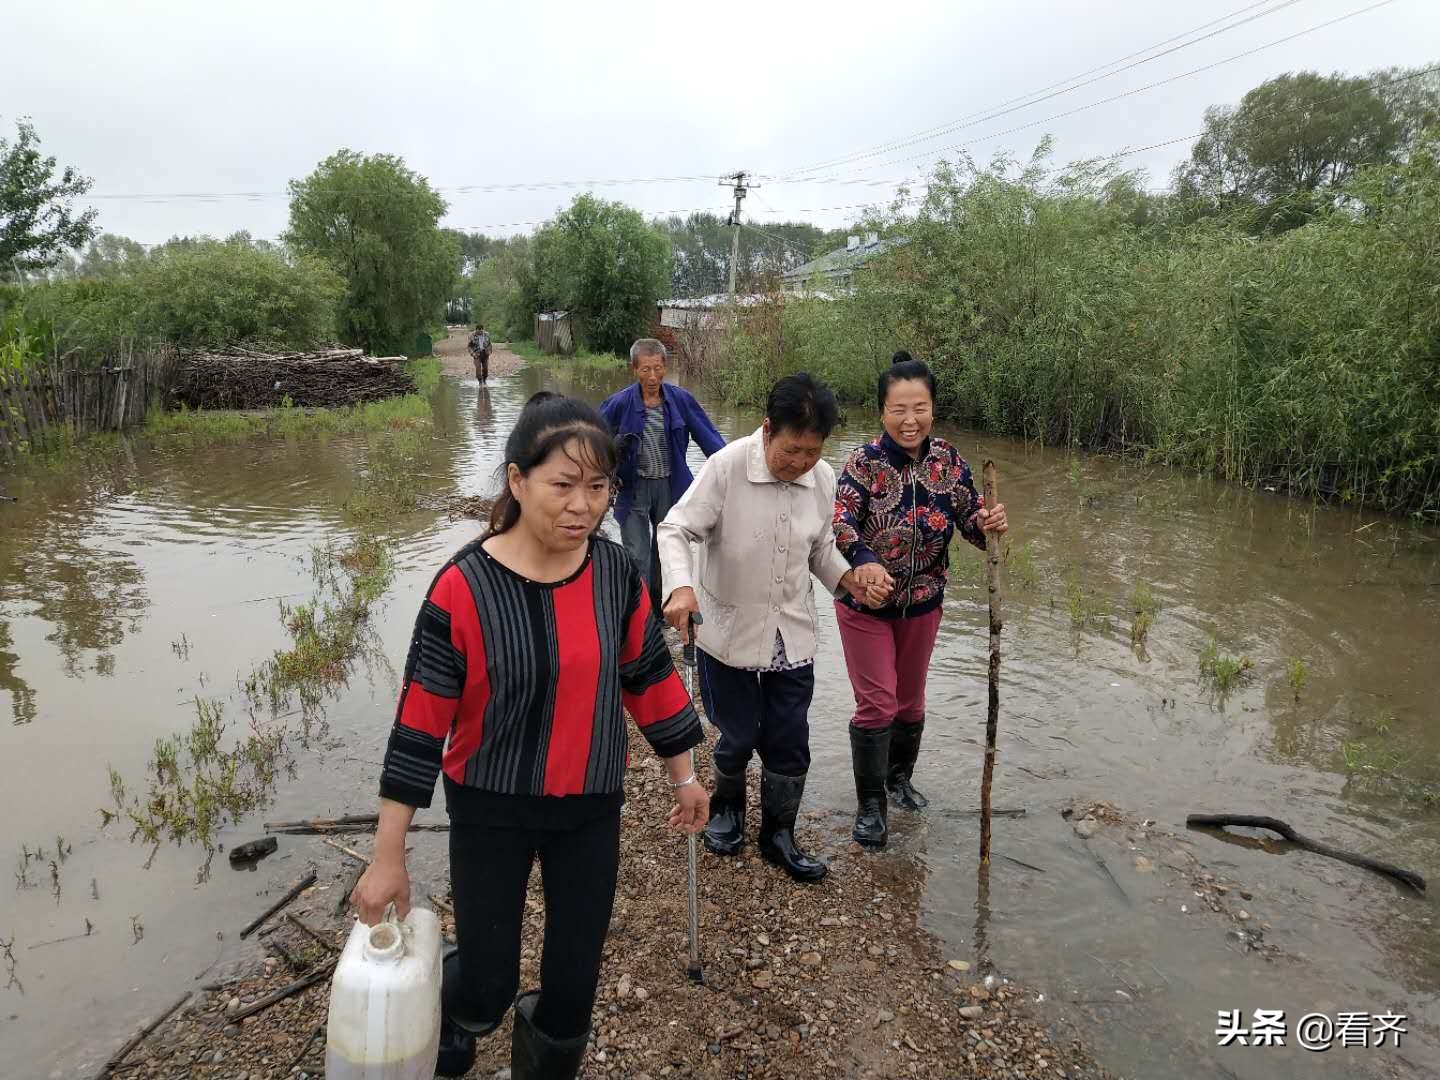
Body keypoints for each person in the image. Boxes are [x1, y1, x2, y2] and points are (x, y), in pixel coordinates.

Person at [351, 392, 708, 1080]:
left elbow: (648, 676)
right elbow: (419, 726)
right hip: (491, 808)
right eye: (563, 485)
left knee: (573, 991)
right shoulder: (462, 587)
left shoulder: (614, 574)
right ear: (517, 481)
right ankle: (453, 1009)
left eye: (599, 488)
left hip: (590, 807)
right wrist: (387, 855)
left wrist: (684, 775)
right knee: (489, 985)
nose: (583, 506)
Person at [658, 373, 892, 883]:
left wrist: (850, 581)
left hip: (792, 633)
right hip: (730, 632)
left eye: (812, 451)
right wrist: (680, 587)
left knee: (790, 735)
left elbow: (821, 549)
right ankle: (727, 809)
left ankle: (779, 833)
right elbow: (675, 528)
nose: (801, 462)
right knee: (739, 730)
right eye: (791, 450)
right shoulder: (727, 468)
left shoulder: (822, 478)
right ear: (767, 430)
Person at [832, 353, 1008, 849]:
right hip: (866, 604)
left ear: (933, 408)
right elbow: (839, 523)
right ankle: (871, 805)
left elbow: (972, 521)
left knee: (909, 702)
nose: (910, 420)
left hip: (924, 602)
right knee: (878, 703)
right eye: (899, 410)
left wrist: (989, 525)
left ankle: (898, 780)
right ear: (882, 411)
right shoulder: (863, 463)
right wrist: (864, 561)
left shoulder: (947, 461)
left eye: (920, 408)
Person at [599, 338, 725, 611]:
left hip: (670, 486)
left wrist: (732, 473)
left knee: (666, 553)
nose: (653, 376)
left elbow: (710, 440)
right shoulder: (618, 404)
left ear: (665, 367)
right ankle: (639, 614)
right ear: (634, 369)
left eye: (657, 368)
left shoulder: (681, 400)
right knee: (637, 554)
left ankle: (660, 611)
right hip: (632, 489)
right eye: (645, 369)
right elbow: (592, 441)